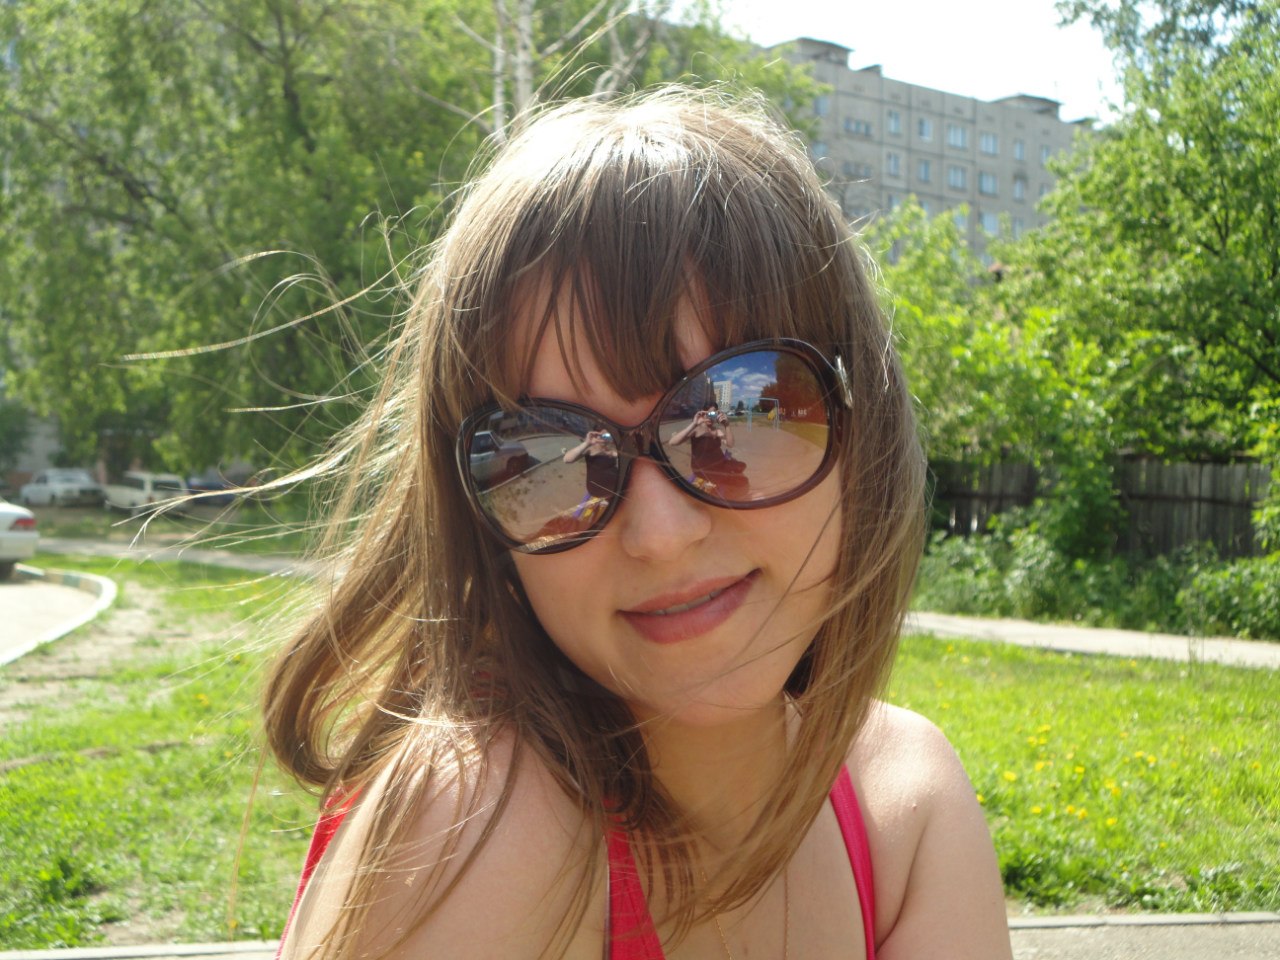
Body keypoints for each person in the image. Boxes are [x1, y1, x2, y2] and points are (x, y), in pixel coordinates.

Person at [267, 87, 1012, 960]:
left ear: (862, 423)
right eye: (544, 458)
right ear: (480, 522)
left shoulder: (905, 806)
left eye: (738, 414)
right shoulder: (471, 831)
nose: (659, 534)